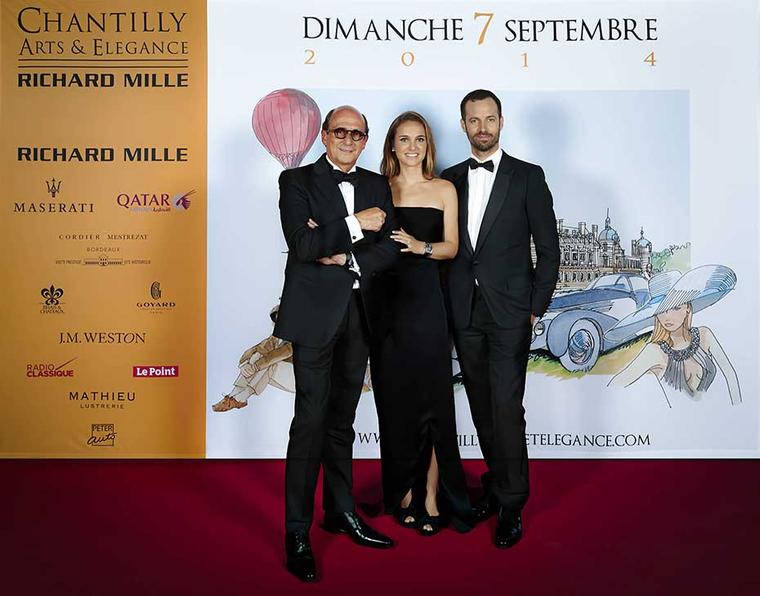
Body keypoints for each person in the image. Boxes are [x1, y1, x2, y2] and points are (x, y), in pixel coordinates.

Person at [274, 105, 399, 582]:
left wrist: (339, 251)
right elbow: (301, 246)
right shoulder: (297, 182)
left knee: (342, 420)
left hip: (360, 314)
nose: (349, 138)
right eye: (340, 131)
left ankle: (340, 511)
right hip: (313, 318)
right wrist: (353, 227)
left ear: (365, 140)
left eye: (357, 133)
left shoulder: (376, 184)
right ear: (324, 135)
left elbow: (388, 246)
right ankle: (297, 531)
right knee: (309, 420)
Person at [441, 89, 560, 548]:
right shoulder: (449, 179)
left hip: (511, 314)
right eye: (474, 120)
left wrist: (536, 308)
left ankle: (513, 503)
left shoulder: (528, 177)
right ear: (464, 125)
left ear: (502, 121)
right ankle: (497, 481)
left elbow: (549, 251)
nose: (483, 127)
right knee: (480, 407)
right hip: (464, 312)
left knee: (507, 408)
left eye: (489, 118)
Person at [370, 111, 472, 536]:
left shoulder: (444, 188)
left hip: (429, 301)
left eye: (419, 140)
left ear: (427, 145)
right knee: (396, 404)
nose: (412, 147)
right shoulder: (376, 189)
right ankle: (404, 493)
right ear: (392, 144)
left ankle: (431, 494)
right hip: (384, 305)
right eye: (404, 139)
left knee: (433, 402)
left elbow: (451, 248)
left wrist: (419, 246)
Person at [609, 265, 741, 406]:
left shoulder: (705, 335)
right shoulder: (654, 351)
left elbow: (731, 375)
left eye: (676, 307)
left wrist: (737, 408)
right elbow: (615, 386)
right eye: (661, 310)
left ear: (687, 309)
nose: (668, 317)